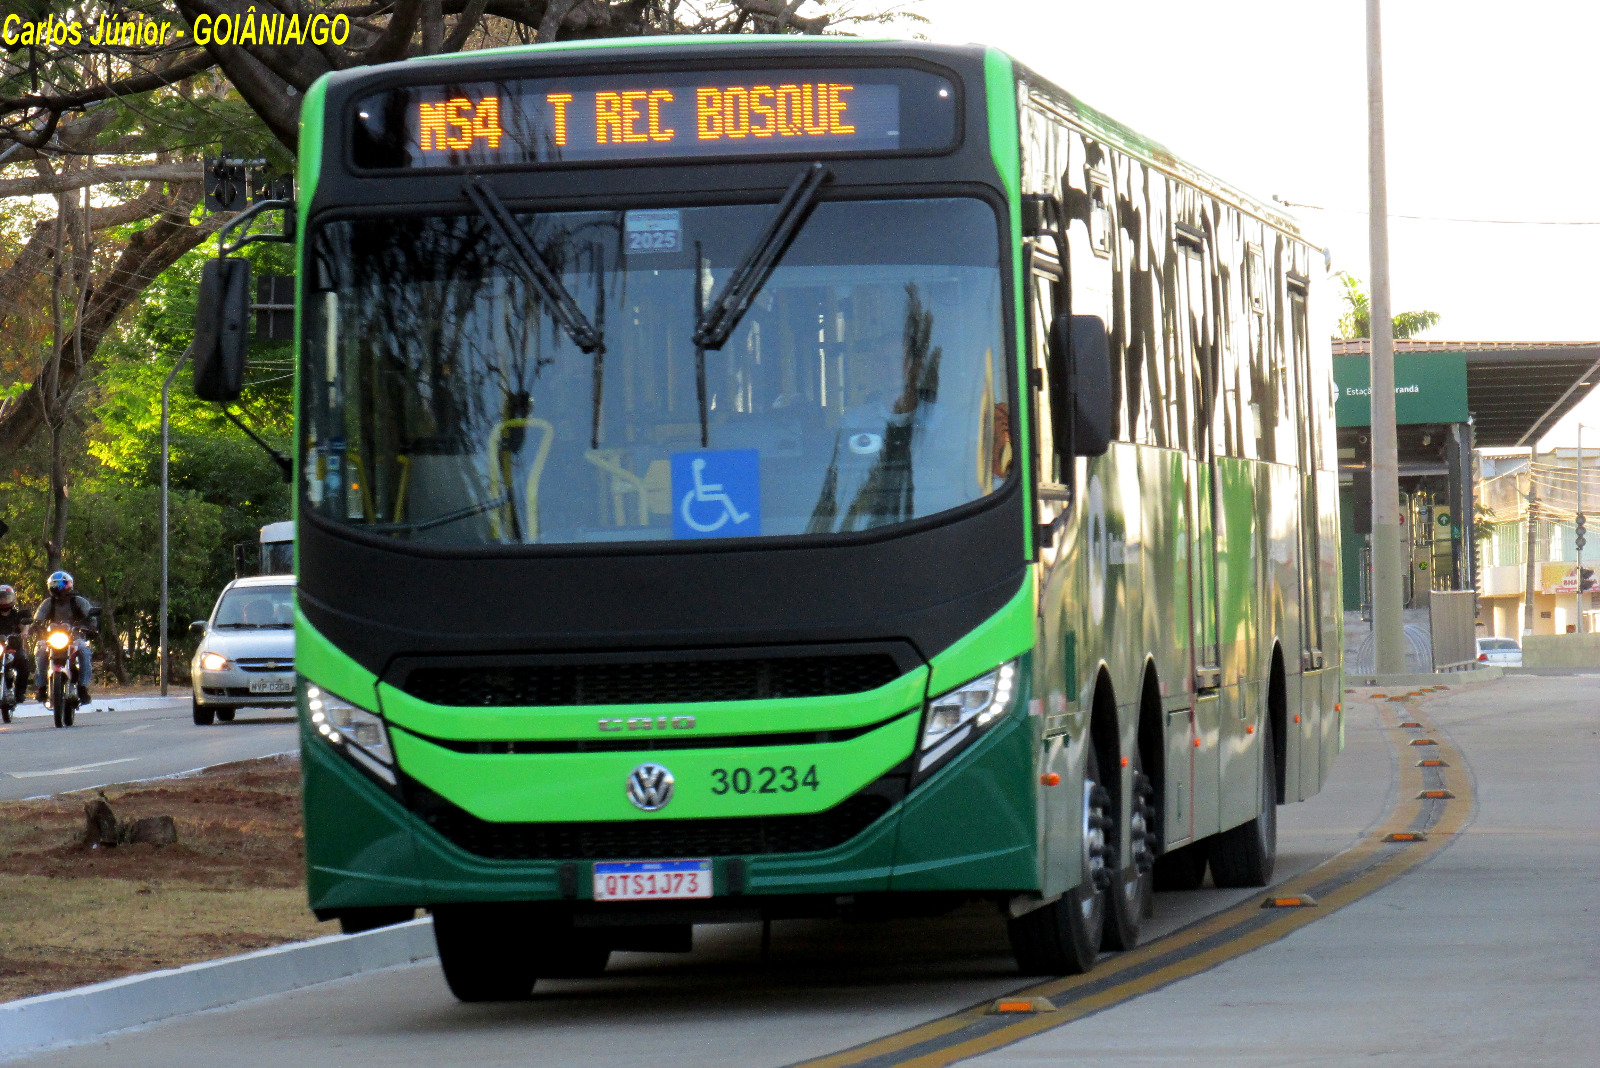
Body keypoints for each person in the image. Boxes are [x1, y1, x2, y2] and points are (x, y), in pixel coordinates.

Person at [33, 571, 97, 704]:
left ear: (70, 585)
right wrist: (35, 626)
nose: (60, 588)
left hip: (75, 637)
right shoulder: (48, 603)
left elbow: (90, 615)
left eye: (63, 584)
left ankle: (82, 687)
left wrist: (92, 626)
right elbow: (38, 617)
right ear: (50, 587)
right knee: (40, 653)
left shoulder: (78, 601)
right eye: (56, 585)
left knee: (85, 652)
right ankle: (41, 687)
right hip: (53, 638)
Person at [0, 585, 32, 700]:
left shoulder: (17, 615)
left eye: (6, 597)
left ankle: (20, 692)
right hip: (0, 648)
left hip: (14, 648)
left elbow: (24, 626)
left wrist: (24, 632)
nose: (3, 600)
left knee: (23, 661)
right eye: (1, 598)